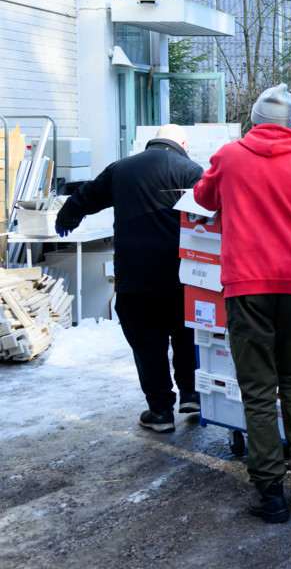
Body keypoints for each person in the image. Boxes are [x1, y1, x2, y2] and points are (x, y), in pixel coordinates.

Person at [192, 84, 291, 525]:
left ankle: (270, 493)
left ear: (255, 120)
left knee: (259, 390)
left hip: (247, 287)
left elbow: (203, 200)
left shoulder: (229, 158)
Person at [54, 124, 203, 433]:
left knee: (147, 343)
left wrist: (65, 218)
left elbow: (86, 197)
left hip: (135, 277)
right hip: (182, 274)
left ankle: (160, 411)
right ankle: (191, 393)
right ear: (183, 144)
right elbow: (210, 213)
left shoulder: (121, 169)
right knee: (187, 332)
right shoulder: (191, 169)